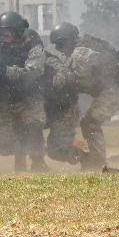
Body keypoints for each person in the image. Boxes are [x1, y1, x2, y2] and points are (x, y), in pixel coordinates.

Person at [50, 24, 119, 170]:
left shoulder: (79, 53)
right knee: (89, 122)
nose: (59, 49)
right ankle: (96, 161)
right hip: (113, 88)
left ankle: (98, 163)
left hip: (115, 90)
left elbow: (81, 81)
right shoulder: (85, 47)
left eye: (60, 45)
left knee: (90, 122)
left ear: (68, 41)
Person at [0, 12, 48, 172]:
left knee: (32, 126)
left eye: (8, 33)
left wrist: (6, 70)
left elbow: (32, 72)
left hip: (30, 96)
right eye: (1, 33)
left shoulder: (33, 44)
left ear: (17, 31)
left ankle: (38, 162)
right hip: (6, 98)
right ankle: (19, 156)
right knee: (3, 145)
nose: (4, 37)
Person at [43, 23, 83, 166]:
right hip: (48, 106)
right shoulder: (49, 56)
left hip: (64, 108)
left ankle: (87, 157)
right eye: (73, 39)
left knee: (58, 151)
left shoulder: (76, 56)